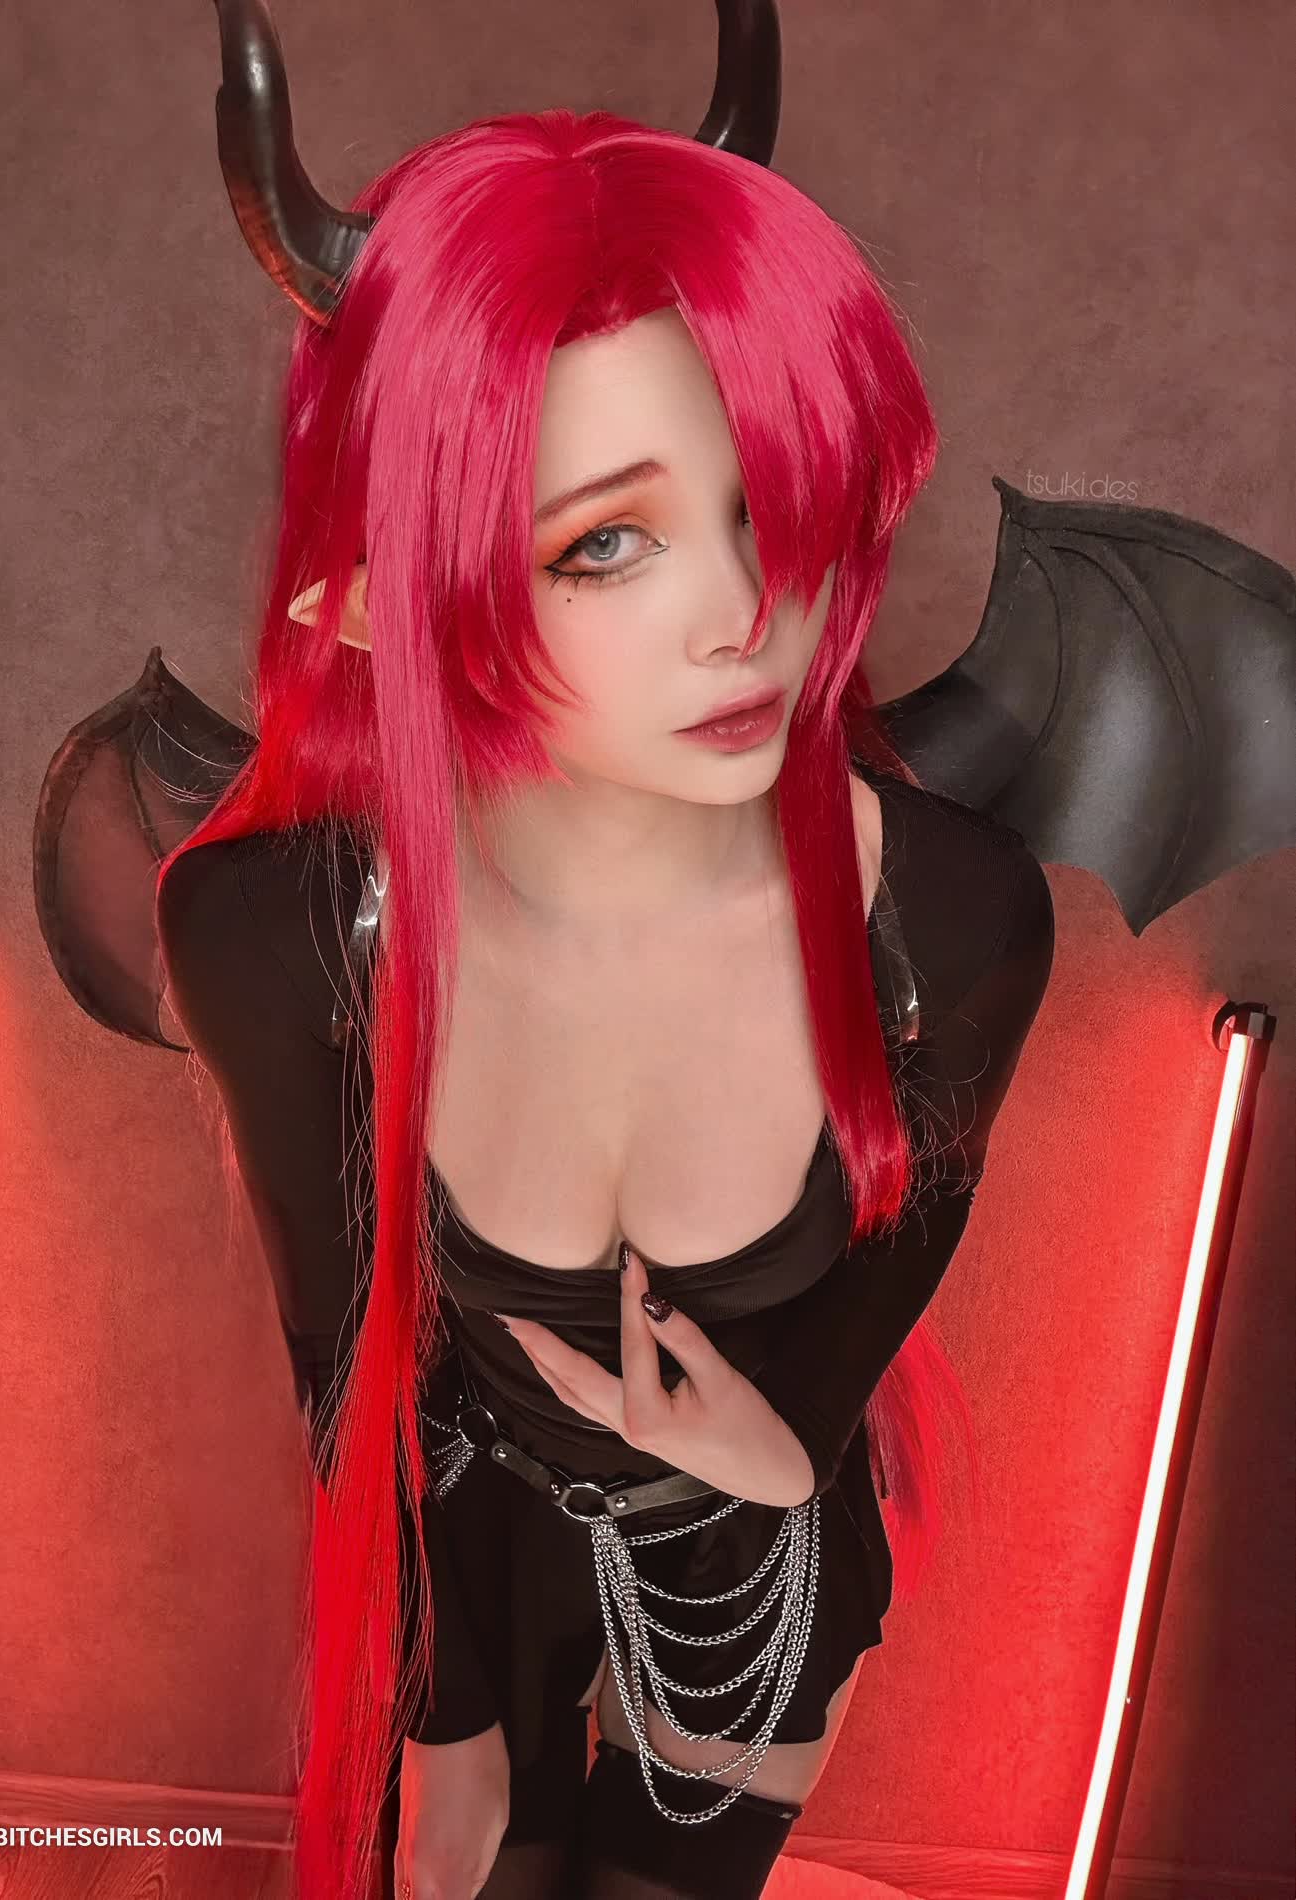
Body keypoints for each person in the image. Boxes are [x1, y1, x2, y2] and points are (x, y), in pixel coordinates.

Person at [153, 35, 1056, 1900]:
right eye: (608, 542)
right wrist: (445, 1721)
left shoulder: (947, 918)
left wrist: (790, 1445)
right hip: (462, 1574)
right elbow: (343, 1357)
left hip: (750, 1582)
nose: (746, 616)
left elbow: (904, 1242)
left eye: (768, 502)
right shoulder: (284, 929)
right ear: (373, 600)